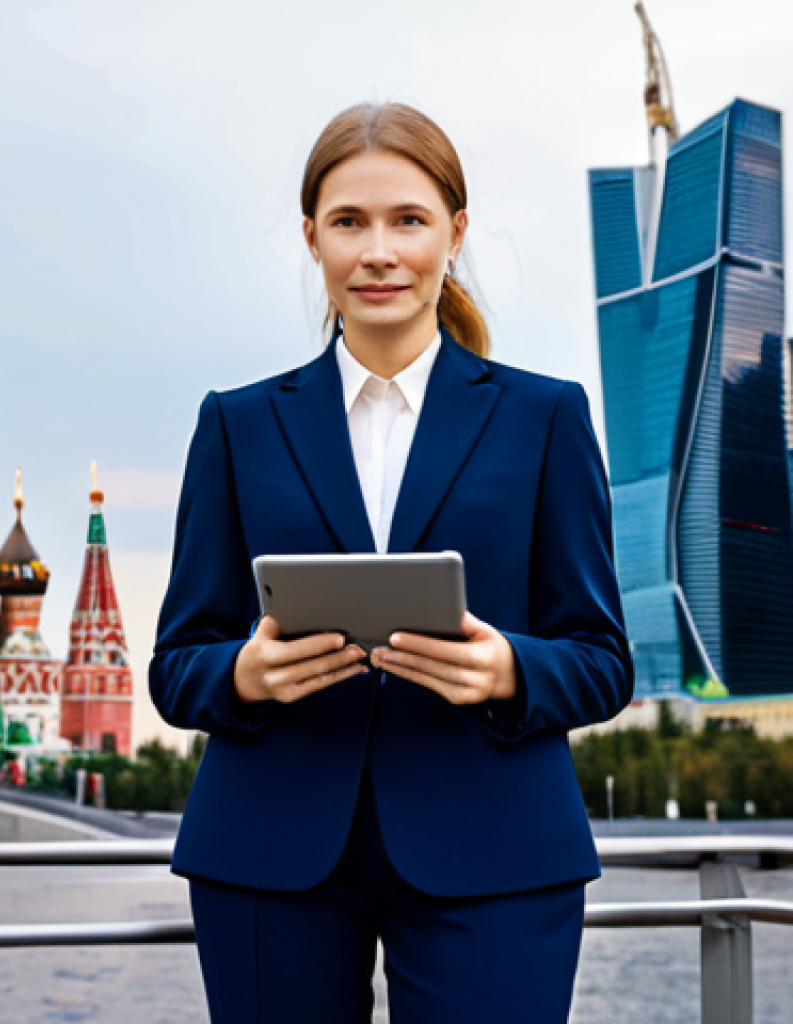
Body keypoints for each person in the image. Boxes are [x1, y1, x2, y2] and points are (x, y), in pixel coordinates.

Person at [149, 102, 633, 1024]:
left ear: (454, 233)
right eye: (349, 223)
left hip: (496, 849)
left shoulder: (547, 418)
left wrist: (509, 669)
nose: (379, 252)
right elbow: (178, 665)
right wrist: (244, 673)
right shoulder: (236, 425)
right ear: (312, 238)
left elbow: (604, 659)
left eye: (408, 220)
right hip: (268, 851)